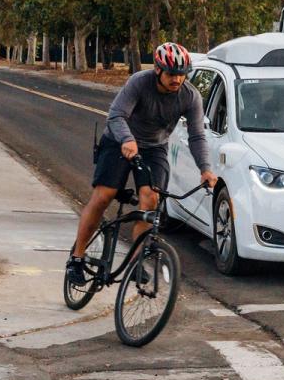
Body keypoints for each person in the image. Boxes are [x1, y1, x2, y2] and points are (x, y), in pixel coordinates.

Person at [65, 42, 218, 285]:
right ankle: (77, 258)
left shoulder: (190, 96)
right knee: (104, 195)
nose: (177, 79)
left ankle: (136, 262)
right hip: (119, 141)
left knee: (150, 200)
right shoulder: (139, 82)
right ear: (158, 70)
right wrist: (127, 139)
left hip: (155, 148)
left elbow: (197, 135)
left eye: (181, 74)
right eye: (171, 74)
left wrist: (205, 169)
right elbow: (116, 115)